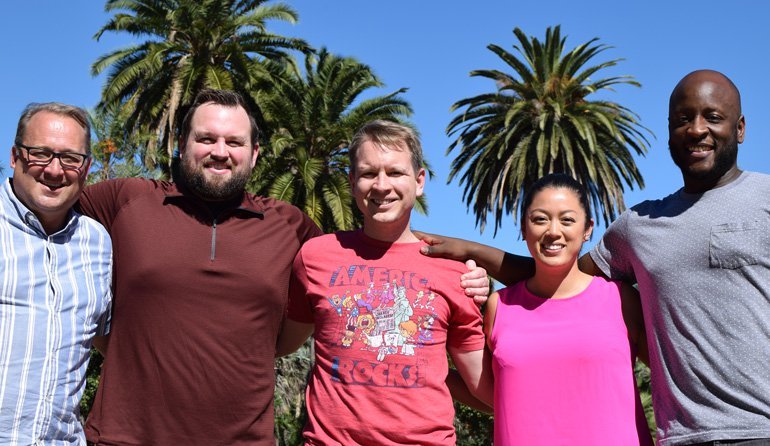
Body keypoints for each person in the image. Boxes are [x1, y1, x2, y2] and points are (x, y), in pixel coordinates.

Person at [79, 91, 488, 445]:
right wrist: (101, 336)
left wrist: (469, 259)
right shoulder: (124, 200)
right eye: (206, 138)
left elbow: (379, 245)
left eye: (234, 141)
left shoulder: (290, 226)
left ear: (254, 153)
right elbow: (37, 214)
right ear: (181, 144)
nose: (220, 150)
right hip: (125, 437)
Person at [418, 70, 770, 445]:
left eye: (713, 117)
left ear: (741, 128)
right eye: (683, 119)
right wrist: (472, 253)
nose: (697, 130)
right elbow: (558, 279)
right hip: (681, 437)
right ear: (670, 129)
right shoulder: (639, 226)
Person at [277, 120, 487, 445]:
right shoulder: (315, 256)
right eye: (368, 173)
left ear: (419, 182)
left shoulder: (455, 273)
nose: (381, 185)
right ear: (351, 182)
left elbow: (482, 385)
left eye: (395, 172)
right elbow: (281, 342)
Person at [480, 173, 650, 445]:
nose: (553, 231)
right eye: (540, 219)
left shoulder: (622, 300)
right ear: (524, 228)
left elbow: (671, 378)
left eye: (567, 219)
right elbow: (486, 394)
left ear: (588, 229)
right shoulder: (498, 306)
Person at [0, 103, 112, 445]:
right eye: (40, 153)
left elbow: (110, 341)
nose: (54, 169)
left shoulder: (98, 244)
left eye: (70, 159)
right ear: (16, 156)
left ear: (87, 167)